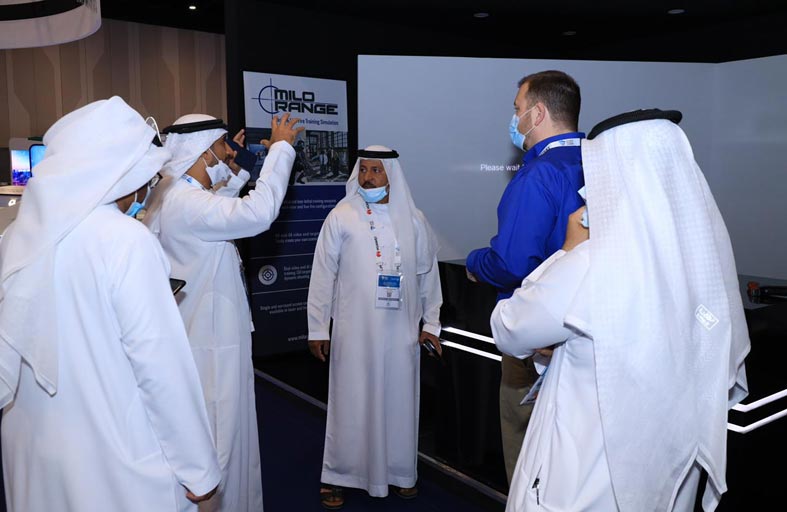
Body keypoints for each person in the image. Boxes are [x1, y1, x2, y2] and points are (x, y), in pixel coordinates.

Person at [491, 109, 750, 511]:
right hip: (668, 471)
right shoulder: (702, 261)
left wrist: (566, 251)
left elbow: (509, 328)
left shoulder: (590, 263)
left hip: (586, 477)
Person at [0, 97, 221, 511]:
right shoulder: (126, 240)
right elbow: (161, 368)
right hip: (113, 458)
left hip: (32, 451)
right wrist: (199, 470)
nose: (146, 188)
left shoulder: (15, 237)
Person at [143, 112, 303, 512]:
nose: (225, 153)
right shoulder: (188, 203)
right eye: (220, 146)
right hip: (210, 341)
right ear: (202, 152)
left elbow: (219, 210)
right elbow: (258, 214)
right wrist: (281, 150)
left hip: (202, 331)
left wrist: (239, 169)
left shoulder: (172, 194)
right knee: (220, 432)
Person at [465, 70, 585, 484]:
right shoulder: (604, 164)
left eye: (518, 109)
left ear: (538, 114)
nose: (514, 120)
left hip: (537, 336)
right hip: (589, 330)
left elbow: (512, 263)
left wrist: (475, 262)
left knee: (525, 446)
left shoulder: (538, 175)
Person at [307, 145, 443, 509]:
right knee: (350, 402)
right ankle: (340, 474)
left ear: (391, 175)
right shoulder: (342, 215)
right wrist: (318, 327)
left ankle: (399, 472)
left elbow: (428, 275)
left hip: (401, 332)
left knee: (399, 403)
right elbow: (322, 275)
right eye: (364, 170)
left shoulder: (414, 220)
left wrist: (432, 323)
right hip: (354, 332)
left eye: (376, 170)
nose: (368, 177)